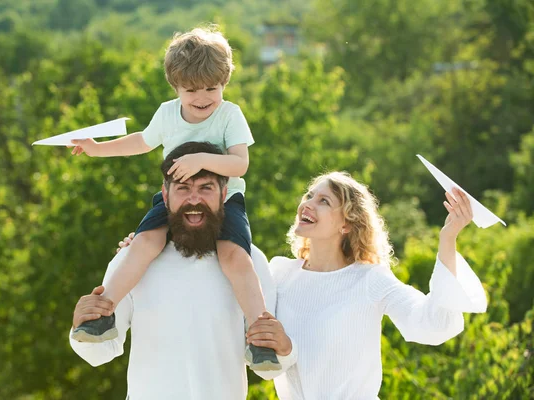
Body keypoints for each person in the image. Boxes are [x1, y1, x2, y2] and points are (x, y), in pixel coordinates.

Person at [119, 170, 488, 399]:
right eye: (309, 195)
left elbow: (434, 325)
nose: (306, 203)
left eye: (323, 200)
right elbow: (216, 291)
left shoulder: (370, 280)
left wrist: (448, 239)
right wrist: (146, 249)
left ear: (347, 224)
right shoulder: (279, 273)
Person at [68, 26, 279, 370]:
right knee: (142, 244)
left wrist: (200, 161)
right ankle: (103, 315)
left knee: (236, 259)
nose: (203, 97)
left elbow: (240, 164)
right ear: (176, 86)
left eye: (213, 88)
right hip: (174, 201)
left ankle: (260, 336)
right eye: (192, 89)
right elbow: (142, 142)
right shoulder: (167, 113)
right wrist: (96, 150)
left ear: (225, 82)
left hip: (224, 202)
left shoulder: (229, 115)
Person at [69, 142, 297, 400]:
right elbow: (101, 353)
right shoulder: (133, 260)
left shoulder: (249, 261)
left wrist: (285, 348)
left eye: (205, 188)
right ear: (165, 196)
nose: (194, 199)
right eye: (183, 188)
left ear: (224, 195)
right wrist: (81, 325)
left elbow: (269, 369)